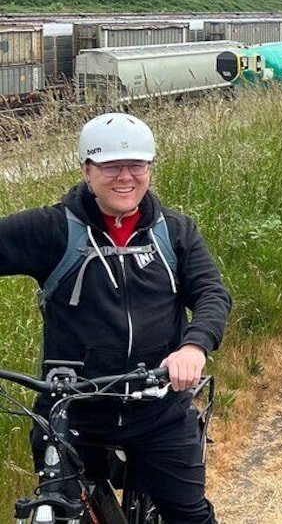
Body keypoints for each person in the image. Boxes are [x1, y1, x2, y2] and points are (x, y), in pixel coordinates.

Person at [0, 113, 231, 523]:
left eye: (137, 165)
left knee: (189, 515)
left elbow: (212, 292)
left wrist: (193, 347)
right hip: (72, 411)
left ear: (149, 169)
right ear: (87, 170)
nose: (126, 177)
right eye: (110, 166)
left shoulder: (174, 231)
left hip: (157, 409)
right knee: (60, 508)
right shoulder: (54, 229)